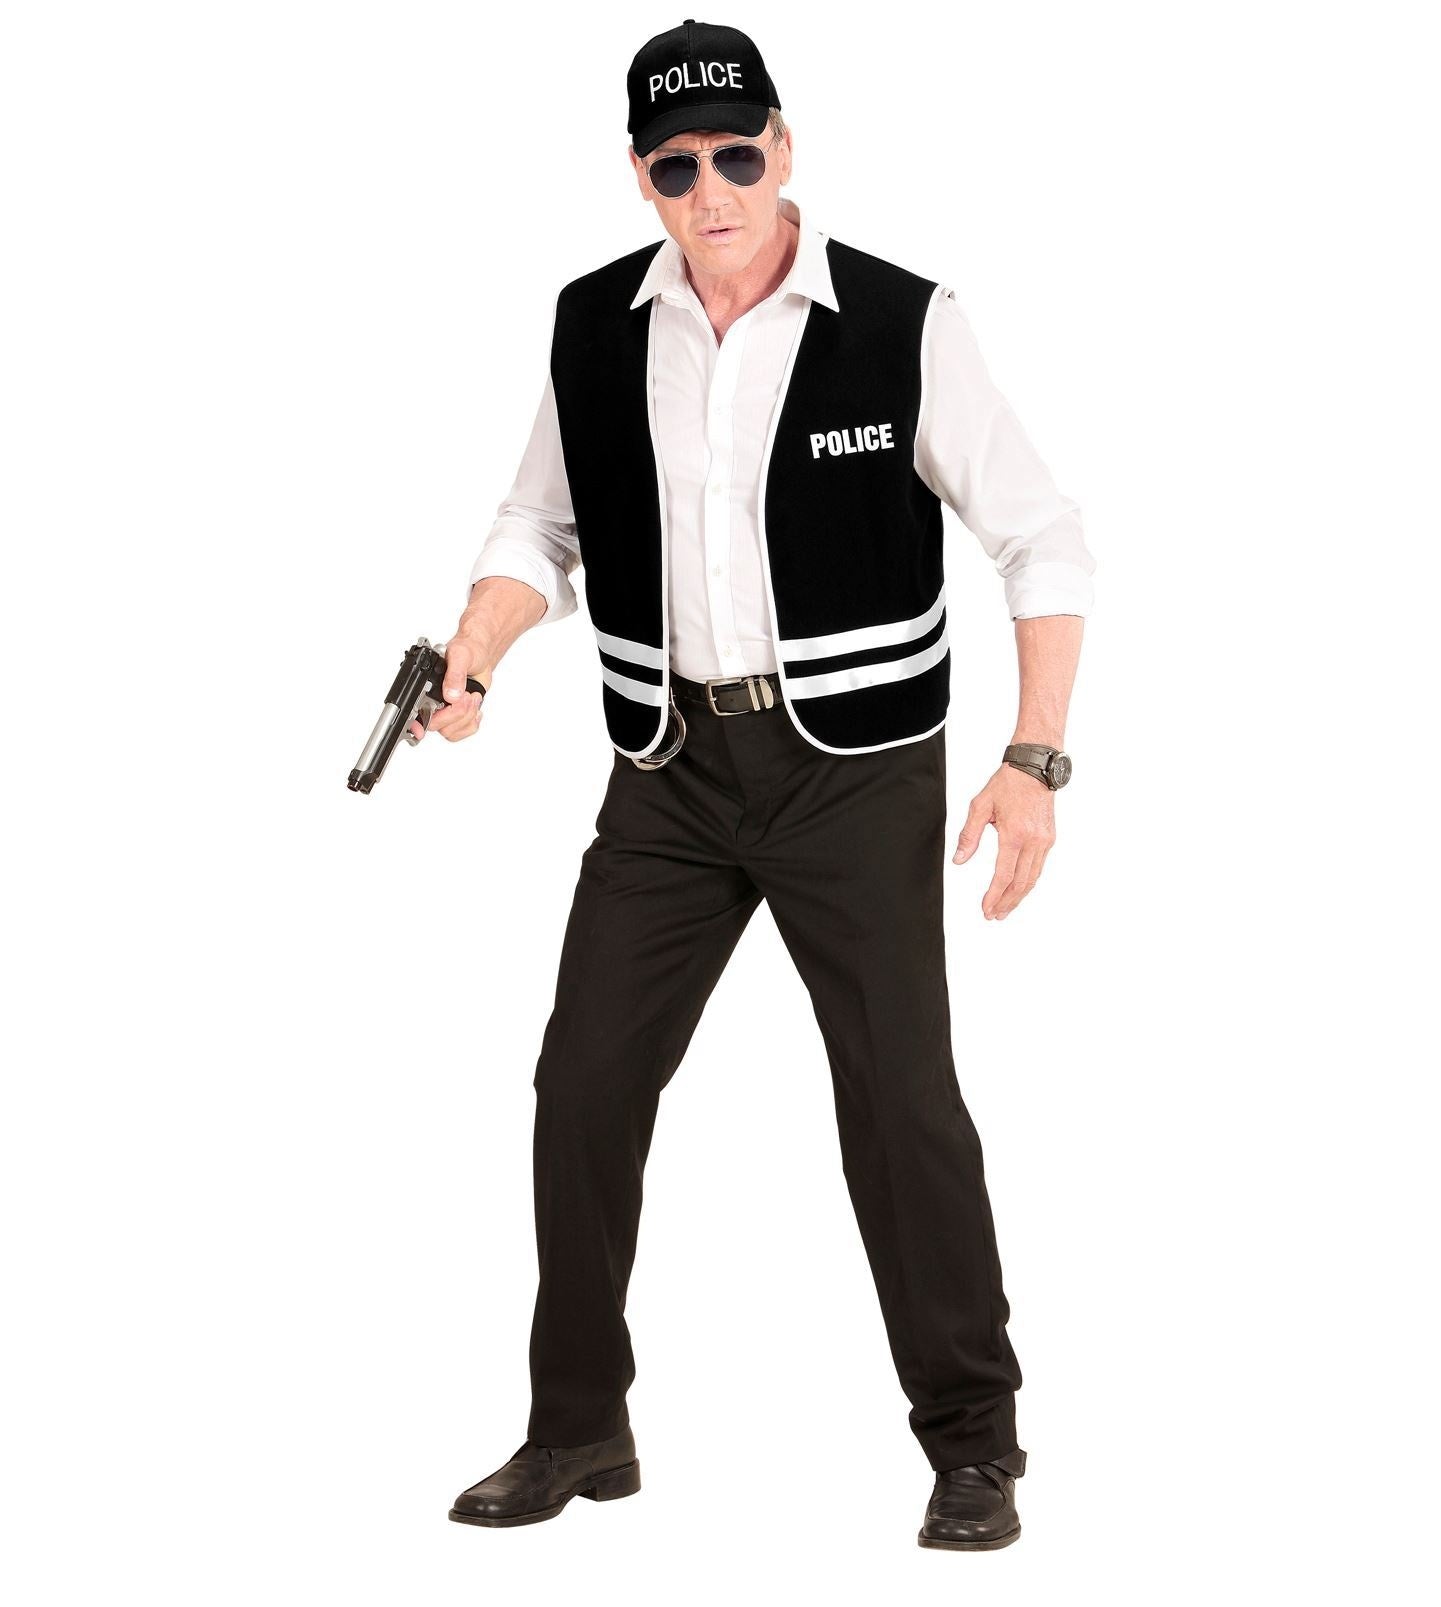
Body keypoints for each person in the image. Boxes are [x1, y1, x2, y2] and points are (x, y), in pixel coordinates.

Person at [425, 19, 1094, 1551]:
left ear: (783, 149)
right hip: (668, 773)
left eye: (737, 153)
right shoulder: (594, 326)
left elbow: (1040, 536)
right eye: (677, 166)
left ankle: (973, 1440)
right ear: (639, 176)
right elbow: (538, 526)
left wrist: (1031, 758)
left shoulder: (903, 321)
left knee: (898, 1103)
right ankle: (578, 1426)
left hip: (851, 774)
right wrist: (477, 648)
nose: (711, 188)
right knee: (582, 1084)